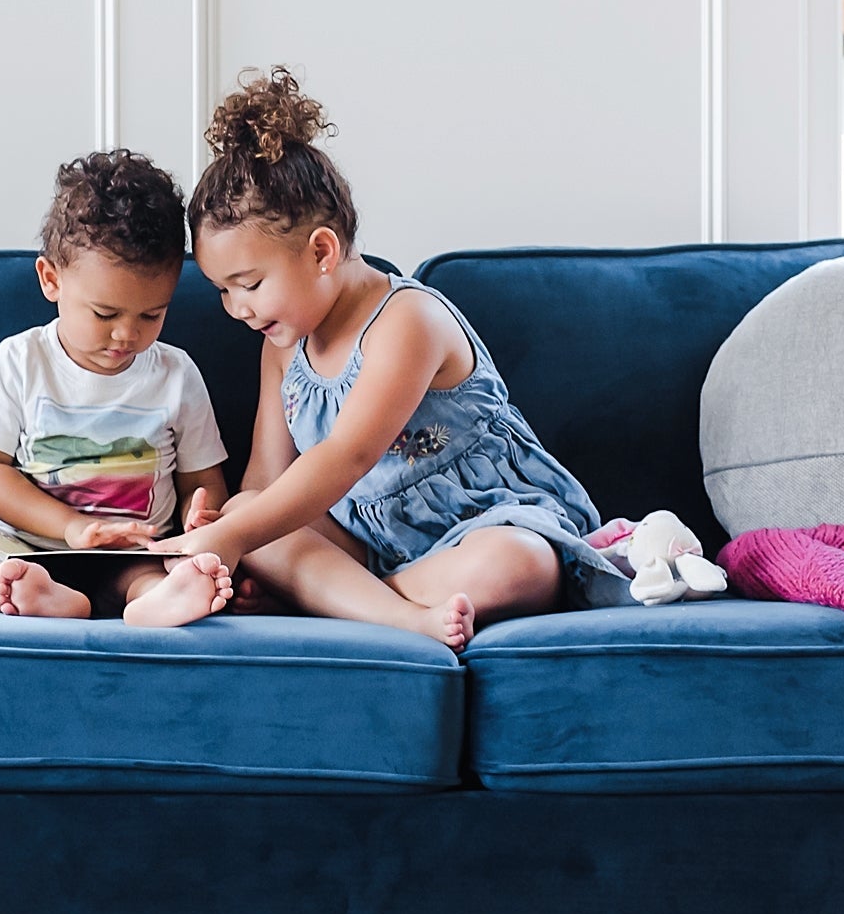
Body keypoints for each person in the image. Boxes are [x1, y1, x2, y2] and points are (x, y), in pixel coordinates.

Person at [155, 68, 606, 651]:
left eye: (249, 283)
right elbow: (268, 482)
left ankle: (349, 598)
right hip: (366, 537)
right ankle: (386, 606)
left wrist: (240, 539)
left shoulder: (406, 321)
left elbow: (351, 453)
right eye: (222, 290)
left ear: (322, 251)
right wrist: (225, 527)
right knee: (250, 510)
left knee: (516, 567)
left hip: (481, 523)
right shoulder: (282, 345)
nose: (236, 308)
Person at [0, 149, 238, 627]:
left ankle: (154, 600)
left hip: (130, 555)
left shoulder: (176, 374)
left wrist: (203, 516)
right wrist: (70, 527)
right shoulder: (21, 361)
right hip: (25, 549)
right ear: (51, 279)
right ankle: (23, 596)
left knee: (163, 572)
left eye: (152, 314)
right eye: (105, 314)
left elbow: (203, 483)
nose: (126, 335)